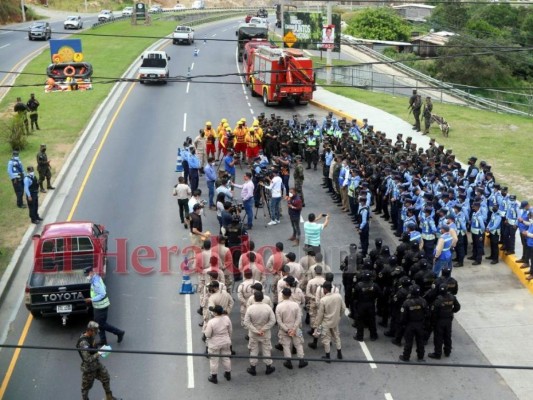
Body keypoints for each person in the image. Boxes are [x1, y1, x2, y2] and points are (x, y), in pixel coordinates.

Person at [76, 321, 120, 400]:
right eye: (95, 332)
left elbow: (93, 349)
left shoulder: (91, 337)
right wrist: (99, 353)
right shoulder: (83, 343)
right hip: (88, 369)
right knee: (86, 387)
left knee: (106, 377)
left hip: (96, 365)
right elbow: (87, 359)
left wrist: (102, 351)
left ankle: (109, 397)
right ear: (89, 330)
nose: (96, 333)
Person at [84, 266, 125, 346]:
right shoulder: (95, 278)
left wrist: (91, 299)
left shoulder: (96, 282)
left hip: (101, 306)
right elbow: (104, 288)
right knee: (98, 324)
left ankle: (119, 332)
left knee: (101, 324)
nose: (87, 276)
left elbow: (102, 294)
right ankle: (103, 340)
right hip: (97, 306)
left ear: (91, 272)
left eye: (88, 274)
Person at [244, 291, 276, 376]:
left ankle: (253, 368)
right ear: (262, 298)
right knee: (266, 349)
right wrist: (264, 329)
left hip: (254, 334)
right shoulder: (268, 308)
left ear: (254, 298)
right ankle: (268, 367)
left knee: (253, 350)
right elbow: (273, 320)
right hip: (265, 333)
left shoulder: (250, 308)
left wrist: (255, 330)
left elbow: (246, 322)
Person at [275, 287, 308, 369]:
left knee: (285, 345)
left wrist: (287, 329)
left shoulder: (279, 306)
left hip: (284, 329)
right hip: (297, 328)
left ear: (282, 295)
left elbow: (279, 321)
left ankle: (288, 361)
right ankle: (301, 360)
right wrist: (294, 328)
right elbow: (298, 318)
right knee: (299, 344)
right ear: (290, 295)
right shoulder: (296, 305)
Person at [314, 281, 345, 362]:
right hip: (335, 321)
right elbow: (343, 308)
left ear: (324, 289)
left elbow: (320, 315)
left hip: (326, 322)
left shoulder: (323, 300)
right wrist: (338, 317)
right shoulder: (338, 296)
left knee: (326, 339)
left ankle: (328, 356)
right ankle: (339, 353)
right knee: (336, 337)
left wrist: (317, 325)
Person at [428, 284, 461, 359]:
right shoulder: (452, 297)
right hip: (448, 320)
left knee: (438, 337)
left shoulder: (438, 300)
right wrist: (451, 311)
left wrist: (433, 322)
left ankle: (437, 353)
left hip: (439, 321)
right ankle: (447, 351)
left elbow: (433, 313)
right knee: (447, 336)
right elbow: (457, 307)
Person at [399, 285, 428, 362]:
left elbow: (403, 316)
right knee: (420, 341)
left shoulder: (407, 303)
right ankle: (421, 357)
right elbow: (427, 313)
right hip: (420, 324)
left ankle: (406, 357)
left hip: (410, 324)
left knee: (408, 342)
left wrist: (403, 324)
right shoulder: (423, 301)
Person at [204, 305, 232, 384]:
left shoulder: (211, 322)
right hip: (225, 341)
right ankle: (228, 374)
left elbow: (208, 335)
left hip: (214, 344)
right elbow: (230, 330)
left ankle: (214, 377)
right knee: (226, 358)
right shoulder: (227, 318)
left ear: (215, 313)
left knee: (214, 361)